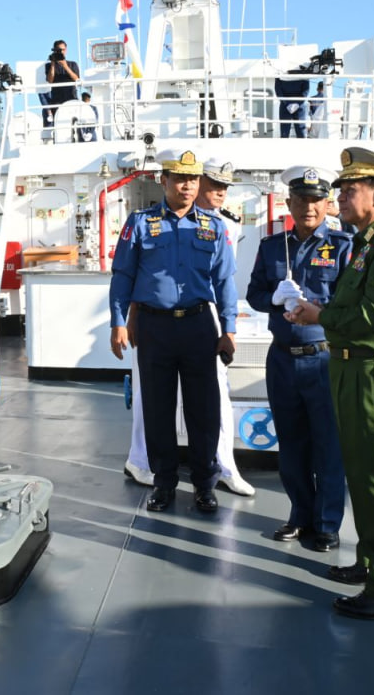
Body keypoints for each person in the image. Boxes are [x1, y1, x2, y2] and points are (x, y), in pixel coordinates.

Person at [289, 147, 374, 621]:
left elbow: (373, 317)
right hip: (354, 369)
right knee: (363, 475)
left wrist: (319, 316)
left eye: (349, 191)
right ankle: (372, 562)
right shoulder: (370, 242)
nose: (340, 198)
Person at [110, 149, 238, 514]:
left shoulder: (214, 227)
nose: (187, 185)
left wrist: (229, 329)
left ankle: (204, 484)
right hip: (155, 327)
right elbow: (123, 274)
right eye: (180, 179)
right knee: (157, 408)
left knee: (204, 410)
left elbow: (225, 281)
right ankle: (163, 483)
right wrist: (118, 321)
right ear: (163, 180)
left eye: (193, 179)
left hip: (199, 325)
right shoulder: (140, 223)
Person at [246, 166, 352, 551]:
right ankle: (300, 515)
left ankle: (327, 523)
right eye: (302, 200)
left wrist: (316, 308)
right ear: (289, 203)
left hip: (323, 358)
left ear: (327, 203)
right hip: (282, 359)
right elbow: (255, 294)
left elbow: (348, 302)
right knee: (291, 443)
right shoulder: (272, 247)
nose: (309, 207)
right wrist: (274, 298)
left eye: (316, 200)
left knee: (328, 444)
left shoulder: (343, 246)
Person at [44, 39, 81, 139]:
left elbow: (76, 78)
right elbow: (50, 80)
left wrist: (65, 66)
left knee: (74, 124)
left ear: (66, 50)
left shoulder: (73, 64)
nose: (61, 52)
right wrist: (53, 64)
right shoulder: (49, 65)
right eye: (58, 50)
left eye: (63, 50)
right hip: (57, 100)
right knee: (58, 126)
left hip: (71, 98)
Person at [274, 70, 311, 138]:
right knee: (288, 133)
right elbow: (306, 90)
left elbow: (278, 89)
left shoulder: (280, 71)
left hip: (287, 104)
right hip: (295, 104)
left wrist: (287, 103)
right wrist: (297, 103)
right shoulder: (304, 73)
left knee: (299, 132)